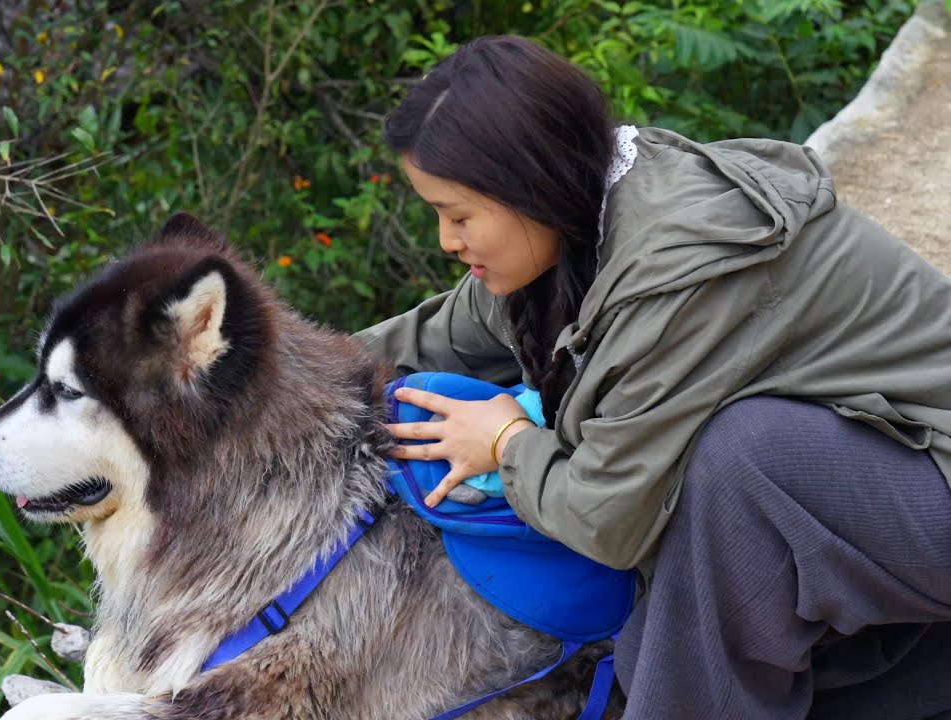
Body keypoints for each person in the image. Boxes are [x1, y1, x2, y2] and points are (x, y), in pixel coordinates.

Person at [353, 35, 951, 719]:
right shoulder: (575, 230)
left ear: (532, 187)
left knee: (740, 461)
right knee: (720, 483)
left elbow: (609, 519)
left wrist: (509, 442)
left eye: (459, 215)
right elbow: (430, 337)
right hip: (895, 482)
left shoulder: (673, 271)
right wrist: (287, 378)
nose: (445, 241)